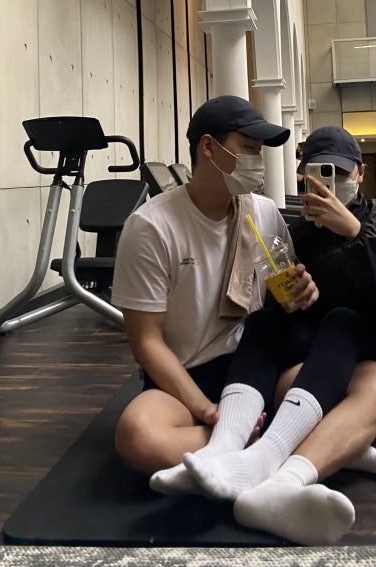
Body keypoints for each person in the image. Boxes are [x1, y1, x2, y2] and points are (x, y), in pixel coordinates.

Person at [150, 125, 376, 545]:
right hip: (336, 366)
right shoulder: (300, 234)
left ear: (360, 174)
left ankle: (263, 461)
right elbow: (293, 318)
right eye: (318, 174)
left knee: (342, 319)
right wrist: (290, 297)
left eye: (340, 173)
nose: (329, 184)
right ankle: (226, 447)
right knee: (266, 322)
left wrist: (357, 235)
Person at [111, 95, 318, 476]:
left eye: (260, 151)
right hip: (187, 375)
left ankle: (234, 447)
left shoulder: (263, 212)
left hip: (255, 365)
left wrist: (302, 292)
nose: (258, 161)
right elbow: (146, 341)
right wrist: (207, 411)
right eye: (249, 149)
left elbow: (285, 295)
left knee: (334, 387)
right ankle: (263, 444)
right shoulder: (152, 227)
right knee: (137, 436)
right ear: (208, 147)